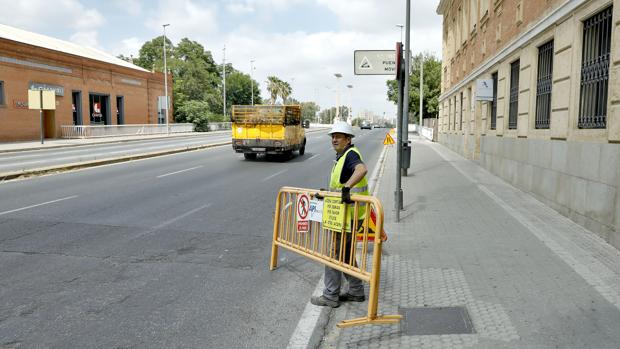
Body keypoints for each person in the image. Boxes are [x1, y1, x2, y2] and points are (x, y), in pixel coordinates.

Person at [311, 121, 369, 308]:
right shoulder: (342, 156)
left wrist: (347, 187)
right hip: (347, 216)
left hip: (347, 218)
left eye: (339, 136)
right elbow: (338, 186)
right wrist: (326, 193)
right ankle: (356, 290)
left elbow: (362, 169)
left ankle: (330, 296)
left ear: (348, 139)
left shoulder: (351, 154)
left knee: (333, 255)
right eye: (333, 136)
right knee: (344, 254)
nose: (334, 139)